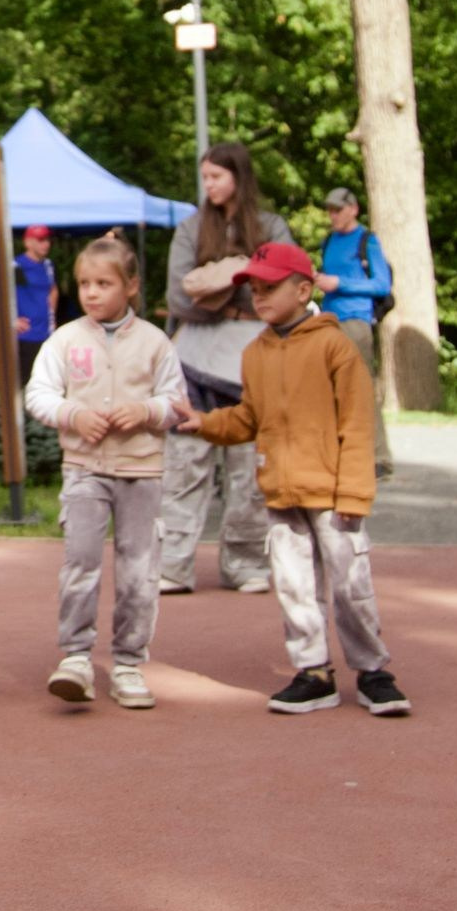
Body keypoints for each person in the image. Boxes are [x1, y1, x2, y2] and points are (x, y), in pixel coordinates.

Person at [173, 242, 412, 717]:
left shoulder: (334, 345)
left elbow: (358, 424)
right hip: (281, 492)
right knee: (295, 585)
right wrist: (206, 423)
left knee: (349, 585)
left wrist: (354, 492)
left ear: (303, 290)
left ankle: (372, 672)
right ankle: (314, 671)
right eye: (254, 289)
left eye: (270, 288)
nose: (259, 298)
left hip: (333, 494)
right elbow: (249, 418)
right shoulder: (255, 353)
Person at [25, 235, 183, 711]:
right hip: (84, 471)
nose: (91, 293)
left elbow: (177, 401)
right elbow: (38, 395)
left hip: (142, 471)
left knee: (139, 570)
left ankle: (130, 662)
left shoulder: (156, 342)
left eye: (103, 283)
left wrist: (148, 411)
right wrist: (73, 414)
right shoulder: (65, 340)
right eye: (84, 284)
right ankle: (75, 657)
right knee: (81, 563)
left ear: (130, 285)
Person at [158, 142, 291, 595]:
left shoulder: (271, 226)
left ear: (239, 176)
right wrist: (234, 282)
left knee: (249, 470)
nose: (209, 185)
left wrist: (223, 283)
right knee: (184, 465)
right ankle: (173, 566)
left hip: (255, 358)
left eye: (217, 176)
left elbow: (286, 287)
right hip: (194, 361)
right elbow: (178, 297)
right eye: (206, 177)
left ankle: (246, 564)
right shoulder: (192, 228)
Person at [315, 187, 396, 480]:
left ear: (353, 209)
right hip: (328, 321)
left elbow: (381, 285)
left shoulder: (367, 240)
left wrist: (340, 283)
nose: (333, 215)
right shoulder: (329, 241)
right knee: (326, 390)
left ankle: (379, 458)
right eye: (330, 210)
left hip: (356, 321)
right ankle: (338, 455)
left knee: (361, 387)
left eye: (338, 209)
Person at [10, 224, 59, 387]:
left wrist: (51, 314)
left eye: (47, 239)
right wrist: (9, 318)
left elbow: (52, 289)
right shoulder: (16, 265)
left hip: (46, 334)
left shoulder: (48, 265)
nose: (46, 244)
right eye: (40, 240)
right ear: (28, 242)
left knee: (48, 382)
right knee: (26, 383)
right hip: (25, 335)